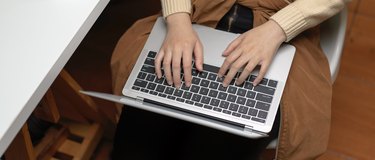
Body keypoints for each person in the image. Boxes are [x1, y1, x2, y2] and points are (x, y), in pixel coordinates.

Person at [110, 0, 347, 159]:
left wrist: (276, 31)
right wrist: (178, 21)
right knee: (140, 133)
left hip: (278, 22)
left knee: (219, 141)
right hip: (197, 13)